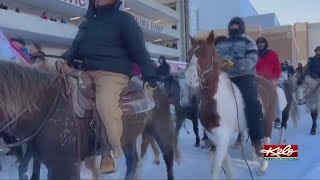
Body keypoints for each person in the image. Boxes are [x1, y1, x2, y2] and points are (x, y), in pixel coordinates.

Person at [61, 0, 158, 174]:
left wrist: (150, 77)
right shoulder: (86, 24)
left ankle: (112, 150)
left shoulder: (124, 20)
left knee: (105, 105)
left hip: (112, 74)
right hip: (86, 71)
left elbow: (139, 50)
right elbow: (75, 49)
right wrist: (65, 58)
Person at [217, 17, 264, 156]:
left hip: (244, 77)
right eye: (232, 26)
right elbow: (216, 58)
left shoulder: (248, 42)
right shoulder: (222, 43)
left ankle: (257, 141)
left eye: (236, 26)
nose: (233, 28)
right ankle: (209, 136)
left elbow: (252, 60)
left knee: (253, 103)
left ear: (241, 27)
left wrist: (235, 64)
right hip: (225, 77)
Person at [255, 37, 282, 128]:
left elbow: (278, 68)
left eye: (262, 43)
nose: (260, 45)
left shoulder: (273, 54)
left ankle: (277, 117)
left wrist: (275, 79)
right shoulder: (255, 55)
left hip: (270, 79)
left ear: (265, 43)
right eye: (258, 43)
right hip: (257, 79)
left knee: (274, 95)